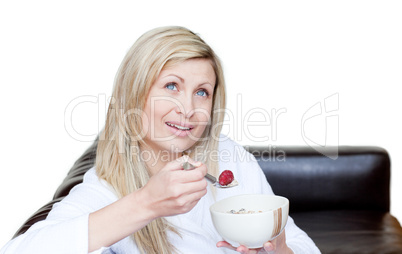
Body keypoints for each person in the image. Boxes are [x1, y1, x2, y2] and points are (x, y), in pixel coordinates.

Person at [0, 26, 320, 254]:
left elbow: (300, 243)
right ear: (135, 93)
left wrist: (281, 252)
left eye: (201, 92)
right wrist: (146, 203)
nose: (188, 109)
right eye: (171, 86)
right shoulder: (105, 189)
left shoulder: (228, 157)